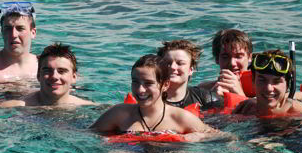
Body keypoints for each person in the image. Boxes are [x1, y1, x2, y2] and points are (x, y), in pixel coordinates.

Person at [90, 55, 219, 141]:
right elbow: (87, 135)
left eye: (148, 83)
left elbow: (224, 137)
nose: (140, 89)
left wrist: (195, 137)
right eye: (135, 82)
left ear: (165, 84)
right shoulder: (119, 114)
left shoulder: (180, 118)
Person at [0, 43, 93, 107]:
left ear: (74, 77)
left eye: (62, 71)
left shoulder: (87, 106)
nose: (54, 76)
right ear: (38, 76)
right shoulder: (19, 106)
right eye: (47, 71)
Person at [234, 49, 302, 117]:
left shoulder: (301, 112)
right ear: (253, 81)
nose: (269, 88)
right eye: (262, 80)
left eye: (277, 81)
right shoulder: (245, 109)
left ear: (287, 85)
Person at [157, 39, 222, 110]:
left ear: (190, 70)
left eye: (180, 63)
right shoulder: (150, 99)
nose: (172, 67)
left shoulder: (206, 99)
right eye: (167, 63)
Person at [198, 29, 253, 96]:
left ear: (250, 57)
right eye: (225, 57)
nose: (232, 63)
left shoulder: (262, 89)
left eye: (238, 56)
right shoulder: (204, 90)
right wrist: (212, 98)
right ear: (217, 59)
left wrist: (240, 94)